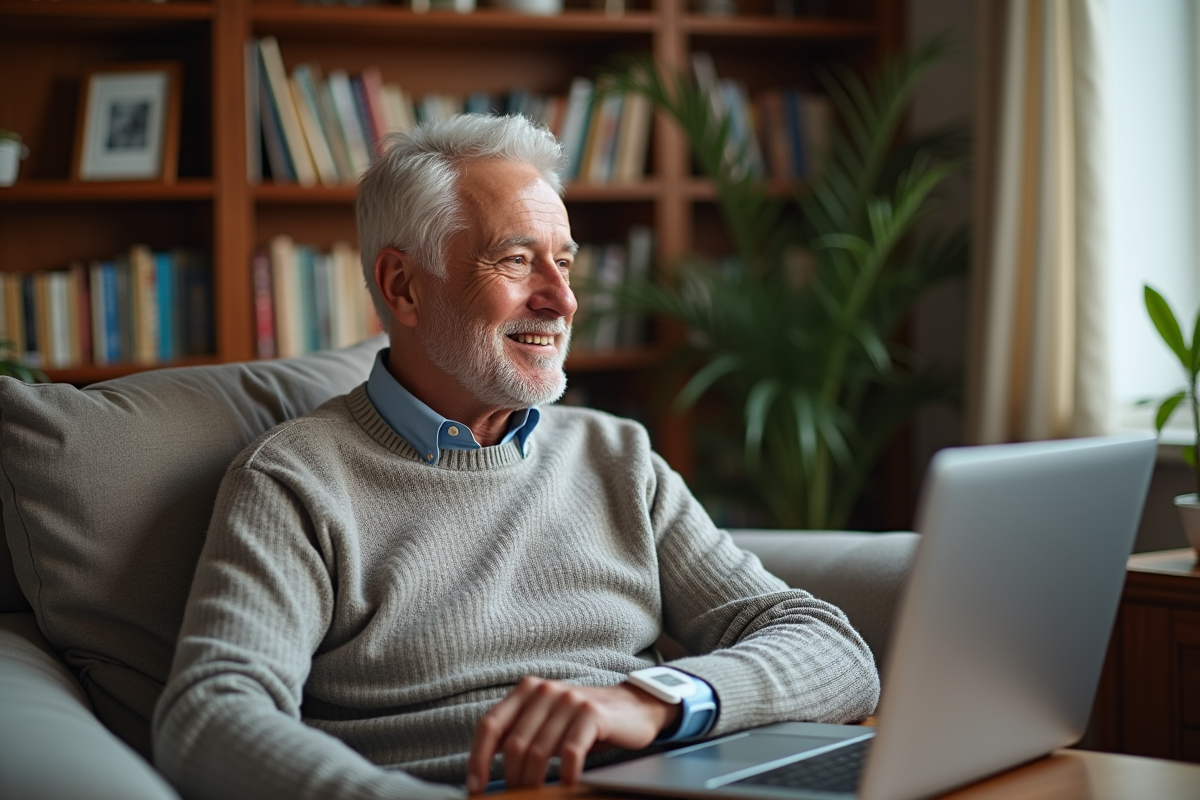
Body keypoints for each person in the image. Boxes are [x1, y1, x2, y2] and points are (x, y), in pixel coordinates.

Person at [153, 113, 880, 800]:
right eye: (517, 260)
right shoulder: (297, 480)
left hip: (666, 776)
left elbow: (832, 650)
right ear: (402, 286)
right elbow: (210, 712)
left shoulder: (613, 454)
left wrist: (654, 702)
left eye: (564, 263)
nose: (562, 299)